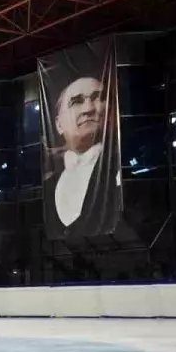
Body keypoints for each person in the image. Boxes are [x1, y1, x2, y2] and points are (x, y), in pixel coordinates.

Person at [43, 73, 121, 238]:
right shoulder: (47, 187)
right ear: (58, 124)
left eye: (98, 98)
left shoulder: (122, 166)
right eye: (76, 102)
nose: (89, 109)